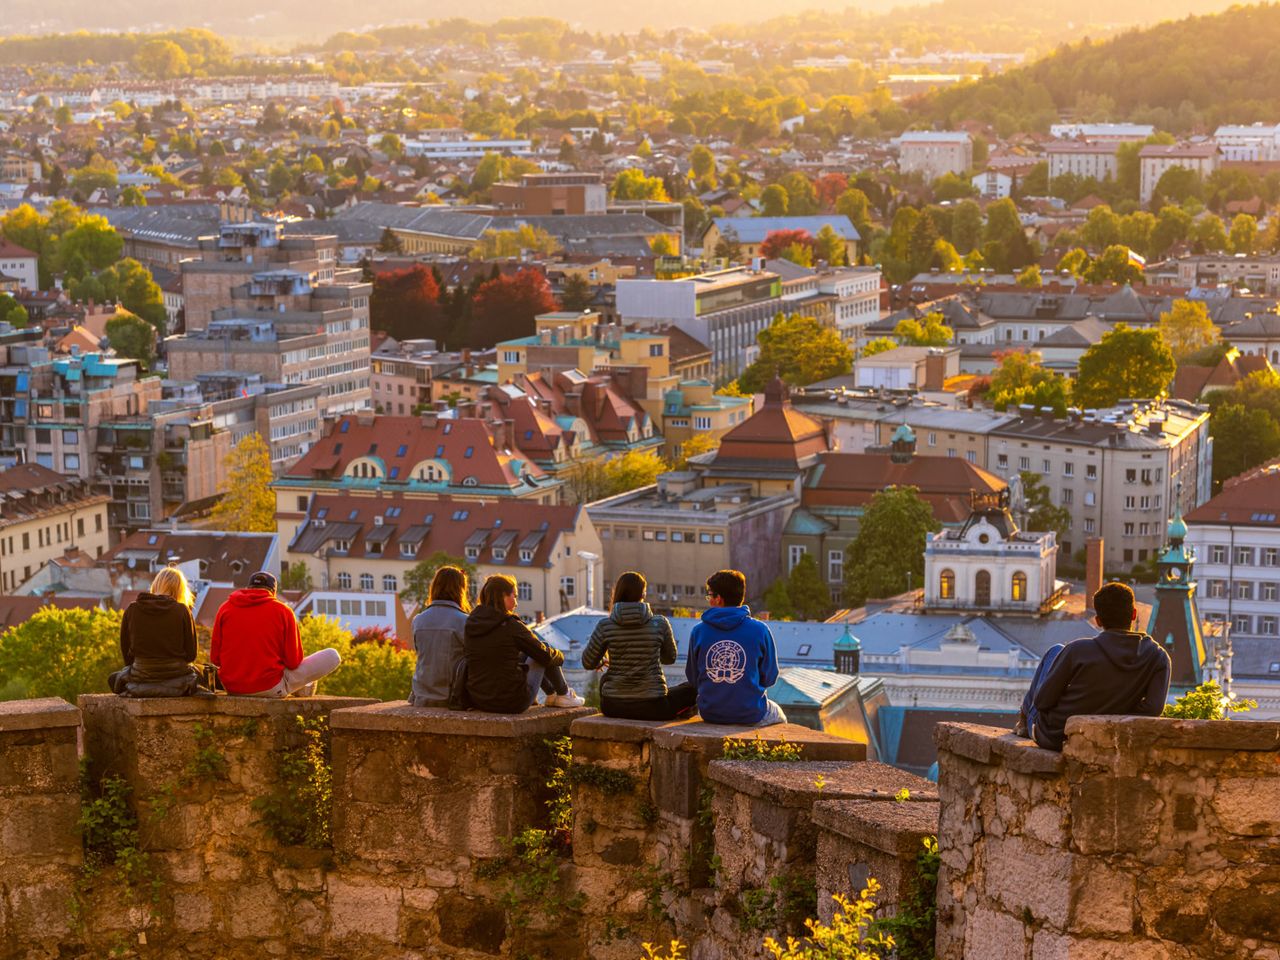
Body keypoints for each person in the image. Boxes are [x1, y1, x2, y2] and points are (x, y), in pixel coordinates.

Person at [1017, 581, 1171, 751]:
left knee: (1055, 651)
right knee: (1058, 652)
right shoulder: (1158, 657)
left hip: (1053, 736)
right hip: (1106, 741)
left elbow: (1042, 702)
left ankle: (1024, 721)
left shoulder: (1078, 650)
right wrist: (1117, 707)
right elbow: (1153, 708)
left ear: (1098, 621)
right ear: (1134, 614)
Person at [582, 571, 697, 721]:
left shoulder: (605, 625)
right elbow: (670, 659)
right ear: (643, 594)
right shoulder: (660, 623)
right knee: (693, 688)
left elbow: (587, 662)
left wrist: (602, 661)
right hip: (653, 706)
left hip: (613, 706)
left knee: (605, 679)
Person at [464, 574, 584, 713]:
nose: (516, 602)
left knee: (528, 652)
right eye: (514, 596)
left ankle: (552, 694)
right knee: (542, 650)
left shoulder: (471, 623)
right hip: (511, 701)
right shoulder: (510, 625)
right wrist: (560, 656)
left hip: (479, 699)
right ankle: (563, 694)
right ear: (504, 596)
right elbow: (544, 655)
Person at [210, 571, 341, 697]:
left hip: (232, 688)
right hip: (269, 687)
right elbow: (293, 662)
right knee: (332, 655)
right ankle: (303, 687)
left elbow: (215, 659)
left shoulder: (225, 608)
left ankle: (300, 687)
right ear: (273, 592)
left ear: (248, 588)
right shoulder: (283, 611)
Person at [686, 570, 786, 726]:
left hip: (710, 712)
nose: (709, 600)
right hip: (750, 713)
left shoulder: (698, 631)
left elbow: (693, 677)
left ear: (718, 599)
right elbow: (770, 677)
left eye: (710, 595)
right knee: (780, 716)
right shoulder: (760, 630)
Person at [109, 567, 201, 697]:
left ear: (155, 585)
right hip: (177, 675)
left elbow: (127, 656)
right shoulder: (182, 611)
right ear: (181, 590)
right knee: (205, 673)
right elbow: (191, 655)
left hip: (142, 674)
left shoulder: (132, 609)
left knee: (113, 678)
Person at [409, 565, 470, 707]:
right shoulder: (464, 621)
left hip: (420, 696)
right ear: (460, 589)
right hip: (450, 697)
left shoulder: (418, 620)